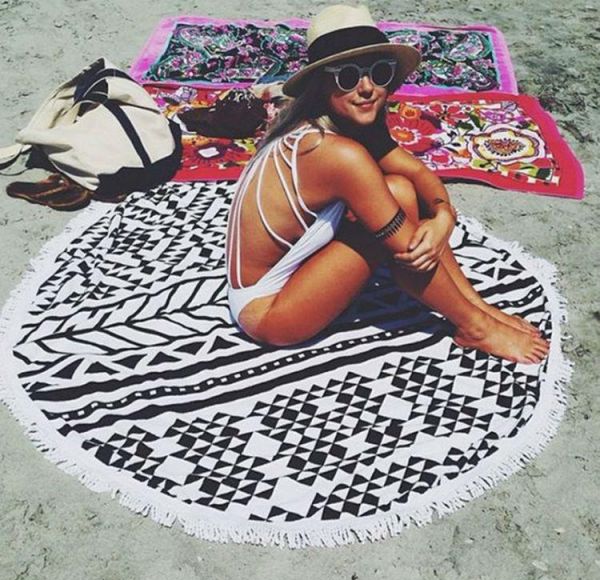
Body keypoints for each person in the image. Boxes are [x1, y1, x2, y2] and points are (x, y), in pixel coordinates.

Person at [225, 4, 549, 364]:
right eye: (348, 77)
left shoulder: (341, 126)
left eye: (378, 72)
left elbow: (419, 175)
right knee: (400, 210)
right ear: (321, 85)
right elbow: (407, 251)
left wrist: (444, 216)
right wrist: (479, 319)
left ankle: (478, 309)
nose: (366, 88)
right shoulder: (331, 151)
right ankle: (475, 327)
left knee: (400, 189)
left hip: (290, 276)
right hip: (268, 312)